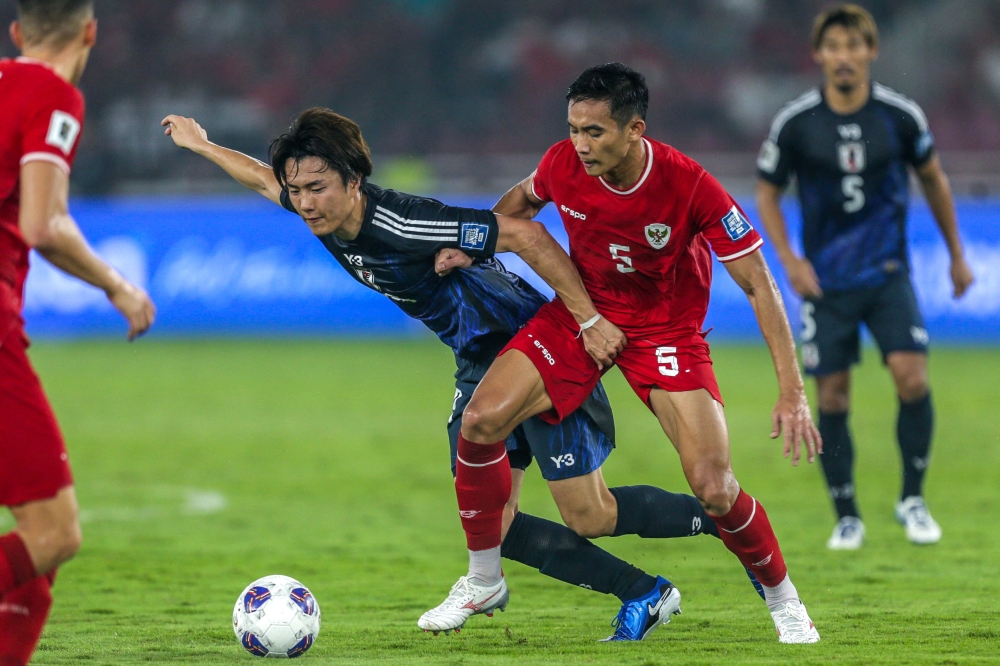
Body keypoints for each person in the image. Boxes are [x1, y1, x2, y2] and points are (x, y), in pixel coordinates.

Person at [162, 108, 763, 642]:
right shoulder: (317, 207)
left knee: (589, 515)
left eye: (317, 188)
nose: (304, 202)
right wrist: (201, 145)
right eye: (298, 191)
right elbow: (263, 180)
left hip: (531, 348)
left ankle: (714, 517)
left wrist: (587, 321)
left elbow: (526, 233)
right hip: (478, 358)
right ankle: (642, 592)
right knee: (493, 521)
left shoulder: (403, 224)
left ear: (353, 183)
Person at [432, 62, 823, 644]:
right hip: (583, 314)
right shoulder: (563, 163)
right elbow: (522, 199)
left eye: (596, 132)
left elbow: (759, 284)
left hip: (665, 331)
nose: (580, 145)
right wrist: (478, 242)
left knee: (715, 487)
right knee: (483, 418)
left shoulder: (690, 184)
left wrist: (792, 392)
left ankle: (783, 599)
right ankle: (483, 578)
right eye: (573, 129)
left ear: (634, 129)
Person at [755, 5, 974, 551]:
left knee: (913, 378)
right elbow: (767, 192)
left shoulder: (900, 117)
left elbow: (934, 181)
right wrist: (789, 258)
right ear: (819, 55)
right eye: (834, 46)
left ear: (871, 51)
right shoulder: (796, 122)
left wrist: (956, 254)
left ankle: (913, 499)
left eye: (854, 45)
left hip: (887, 272)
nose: (844, 56)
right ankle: (847, 513)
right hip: (825, 283)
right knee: (832, 395)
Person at [0, 1, 156, 663]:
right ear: (89, 33)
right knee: (55, 532)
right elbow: (44, 224)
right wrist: (117, 283)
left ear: (16, 32)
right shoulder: (54, 95)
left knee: (39, 543)